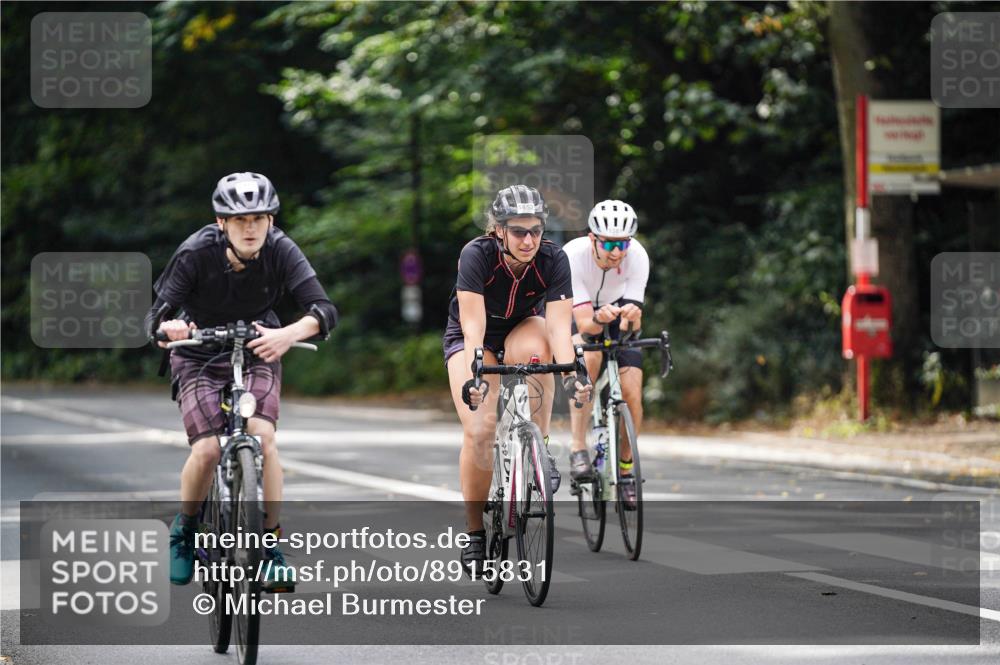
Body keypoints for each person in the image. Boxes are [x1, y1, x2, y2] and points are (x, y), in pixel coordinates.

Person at [145, 172, 338, 588]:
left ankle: (269, 544)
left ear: (271, 220)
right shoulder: (195, 253)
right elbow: (155, 317)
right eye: (239, 220)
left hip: (259, 347)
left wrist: (289, 333)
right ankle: (185, 532)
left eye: (259, 219)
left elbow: (323, 309)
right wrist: (171, 329)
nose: (250, 228)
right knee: (209, 450)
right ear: (221, 223)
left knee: (263, 438)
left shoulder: (281, 249)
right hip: (197, 352)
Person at [444, 184, 592, 576]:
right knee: (480, 430)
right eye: (518, 231)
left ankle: (539, 446)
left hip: (522, 328)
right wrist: (476, 371)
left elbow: (561, 329)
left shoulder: (553, 258)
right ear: (498, 230)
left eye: (536, 231)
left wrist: (573, 373)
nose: (528, 240)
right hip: (473, 337)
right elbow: (473, 324)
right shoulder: (476, 255)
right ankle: (475, 533)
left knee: (541, 355)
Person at [561, 199, 649, 508]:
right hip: (581, 315)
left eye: (623, 243)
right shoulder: (572, 256)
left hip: (616, 314)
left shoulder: (637, 256)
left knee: (633, 393)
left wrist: (629, 316)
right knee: (590, 358)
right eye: (609, 243)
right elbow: (586, 324)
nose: (617, 252)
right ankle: (577, 447)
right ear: (593, 239)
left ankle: (625, 470)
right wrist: (600, 317)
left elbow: (634, 322)